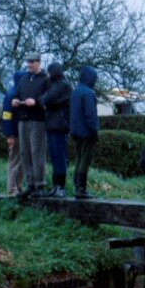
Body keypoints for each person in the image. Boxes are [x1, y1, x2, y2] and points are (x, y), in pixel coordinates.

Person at [12, 52, 50, 197]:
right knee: (24, 153)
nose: (29, 64)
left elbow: (49, 97)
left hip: (37, 120)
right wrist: (15, 100)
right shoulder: (23, 78)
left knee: (37, 152)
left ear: (39, 62)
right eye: (28, 62)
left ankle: (40, 184)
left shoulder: (46, 79)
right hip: (22, 119)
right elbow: (17, 93)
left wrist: (36, 101)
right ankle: (31, 184)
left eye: (32, 62)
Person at [41, 62, 72, 197]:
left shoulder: (63, 85)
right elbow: (42, 99)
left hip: (60, 125)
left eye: (49, 72)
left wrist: (47, 103)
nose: (47, 75)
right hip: (52, 124)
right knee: (54, 156)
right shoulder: (55, 85)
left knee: (59, 156)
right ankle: (55, 185)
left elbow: (47, 98)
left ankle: (61, 186)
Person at [69, 66, 100, 199]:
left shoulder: (75, 91)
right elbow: (90, 115)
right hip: (86, 132)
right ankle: (81, 188)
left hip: (75, 131)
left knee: (78, 158)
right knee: (85, 160)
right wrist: (94, 131)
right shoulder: (88, 93)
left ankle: (77, 185)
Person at [1, 70, 27, 196]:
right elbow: (7, 116)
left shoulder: (19, 94)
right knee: (14, 161)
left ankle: (19, 186)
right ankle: (12, 189)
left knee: (21, 161)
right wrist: (9, 136)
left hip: (21, 134)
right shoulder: (11, 95)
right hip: (15, 134)